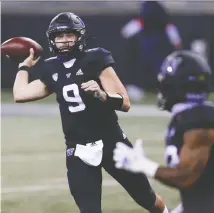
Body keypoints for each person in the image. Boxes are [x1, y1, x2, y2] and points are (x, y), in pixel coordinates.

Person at [13, 12, 169, 213]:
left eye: (69, 34)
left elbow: (125, 102)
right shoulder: (51, 67)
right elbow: (20, 94)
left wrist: (102, 94)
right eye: (59, 36)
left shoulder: (96, 58)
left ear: (79, 36)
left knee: (147, 198)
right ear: (52, 40)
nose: (64, 40)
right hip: (79, 150)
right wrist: (24, 66)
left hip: (113, 143)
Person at [113, 50, 214, 213]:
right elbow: (205, 183)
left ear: (180, 87)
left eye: (167, 85)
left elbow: (186, 177)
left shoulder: (201, 123)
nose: (163, 90)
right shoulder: (188, 117)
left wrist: (143, 165)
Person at [121, 1, 182, 102]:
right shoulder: (152, 12)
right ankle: (154, 90)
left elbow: (126, 32)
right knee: (155, 69)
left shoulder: (153, 11)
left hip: (153, 47)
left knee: (156, 69)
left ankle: (160, 90)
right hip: (153, 47)